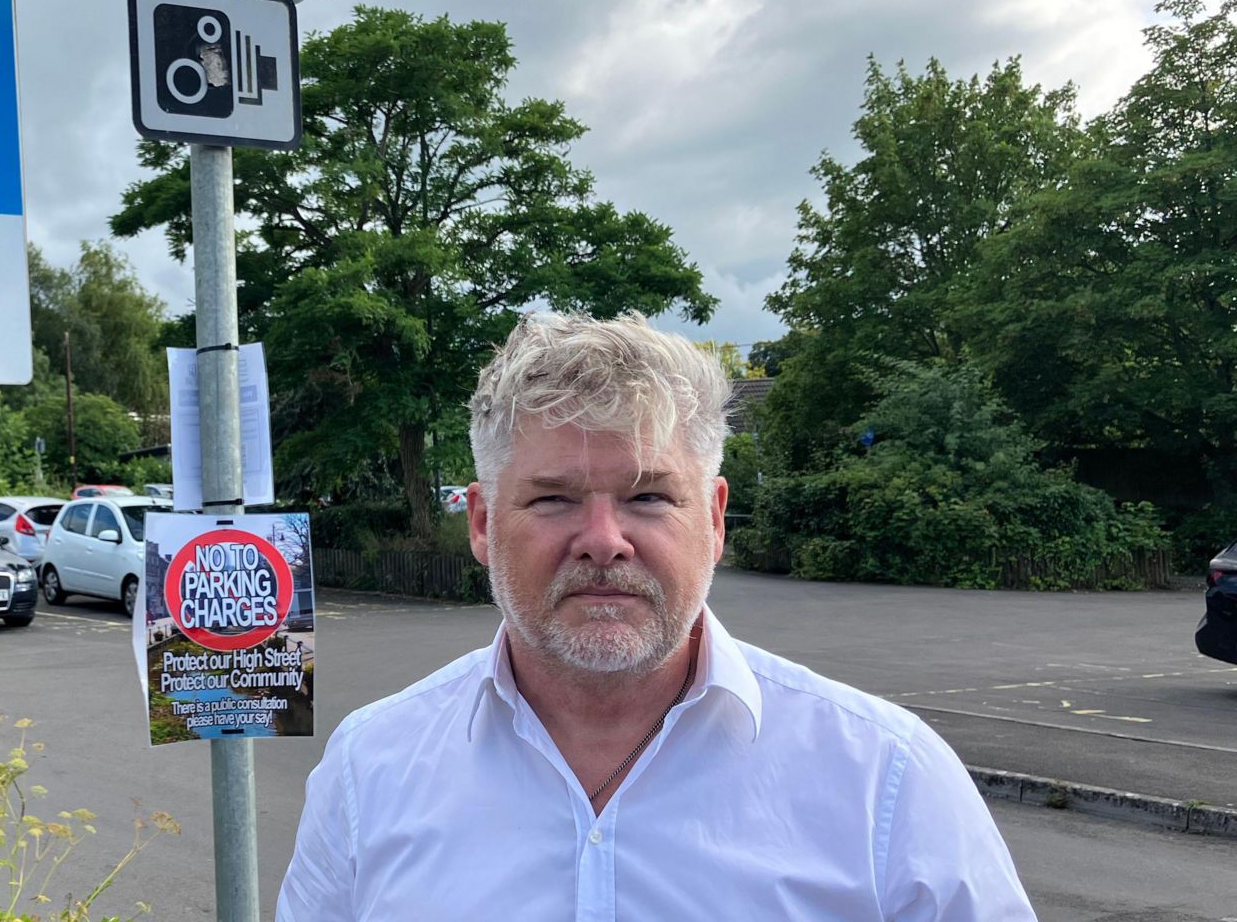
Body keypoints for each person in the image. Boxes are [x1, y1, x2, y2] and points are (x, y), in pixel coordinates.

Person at [277, 313, 1035, 920]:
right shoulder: (370, 769)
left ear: (713, 517)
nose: (604, 541)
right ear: (480, 523)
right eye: (553, 498)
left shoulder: (887, 781)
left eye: (648, 497)